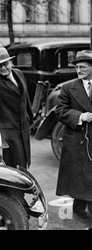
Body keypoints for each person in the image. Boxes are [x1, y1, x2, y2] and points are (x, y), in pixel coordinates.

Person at [55, 50, 92, 220]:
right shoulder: (68, 87)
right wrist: (80, 116)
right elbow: (60, 112)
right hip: (77, 139)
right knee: (80, 175)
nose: (79, 70)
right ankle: (80, 205)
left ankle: (82, 204)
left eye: (83, 67)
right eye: (77, 67)